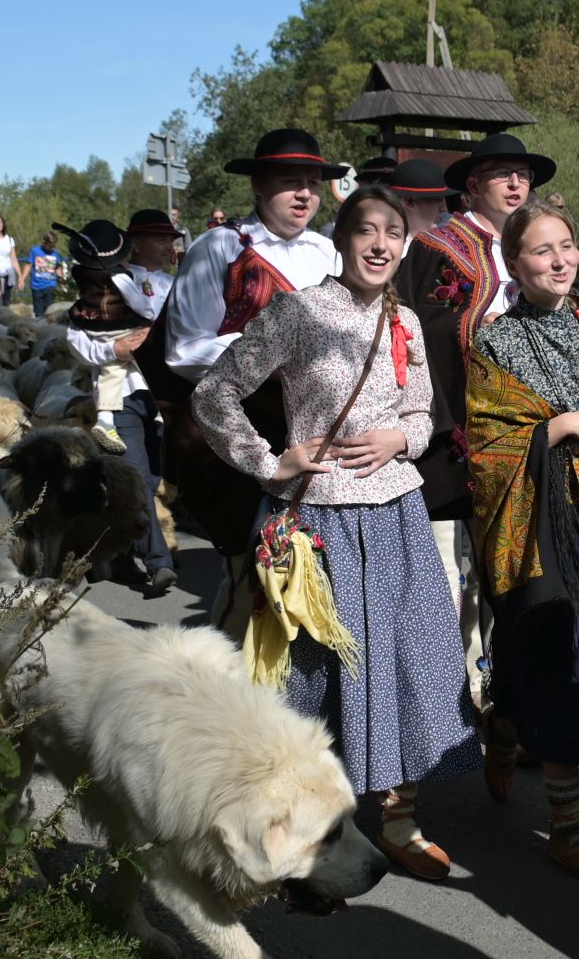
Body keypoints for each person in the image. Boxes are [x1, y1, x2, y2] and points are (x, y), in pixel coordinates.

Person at [192, 185, 479, 881]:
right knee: (322, 673)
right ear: (341, 240)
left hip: (398, 515)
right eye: (365, 231)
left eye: (392, 231)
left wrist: (397, 440)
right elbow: (214, 392)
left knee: (411, 660)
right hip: (321, 520)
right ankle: (314, 823)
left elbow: (422, 412)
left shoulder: (404, 318)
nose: (380, 244)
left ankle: (399, 818)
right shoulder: (299, 311)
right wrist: (269, 462)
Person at [466, 201, 579, 879]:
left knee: (544, 655)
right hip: (538, 530)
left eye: (566, 246)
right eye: (542, 250)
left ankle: (506, 724)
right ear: (515, 264)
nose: (559, 260)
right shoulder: (495, 342)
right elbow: (488, 446)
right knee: (567, 660)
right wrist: (561, 426)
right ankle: (568, 825)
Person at [394, 131, 558, 705]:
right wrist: (484, 334)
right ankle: (450, 699)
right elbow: (414, 330)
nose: (517, 184)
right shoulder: (438, 246)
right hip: (448, 432)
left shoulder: (539, 245)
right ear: (472, 185)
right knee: (443, 576)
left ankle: (508, 699)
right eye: (502, 174)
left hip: (518, 433)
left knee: (509, 572)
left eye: (523, 174)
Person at [160, 128, 346, 623]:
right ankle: (225, 683)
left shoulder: (328, 253)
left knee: (311, 570)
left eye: (312, 182)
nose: (305, 193)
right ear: (259, 186)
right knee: (251, 571)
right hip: (247, 431)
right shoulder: (219, 249)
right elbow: (185, 349)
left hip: (316, 430)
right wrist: (274, 359)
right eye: (291, 181)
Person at [65, 212, 178, 594]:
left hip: (165, 394)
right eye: (160, 238)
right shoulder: (96, 292)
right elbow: (76, 341)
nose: (169, 246)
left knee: (157, 476)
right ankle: (158, 562)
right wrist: (115, 347)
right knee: (138, 479)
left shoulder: (168, 286)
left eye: (171, 239)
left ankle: (115, 550)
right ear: (135, 243)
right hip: (123, 396)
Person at [385, 159, 454, 253]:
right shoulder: (384, 245)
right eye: (437, 200)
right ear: (410, 202)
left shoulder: (453, 235)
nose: (444, 208)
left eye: (444, 199)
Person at [19, 231, 65, 318]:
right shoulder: (35, 251)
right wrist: (22, 279)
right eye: (50, 246)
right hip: (37, 286)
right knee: (38, 313)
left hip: (50, 285)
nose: (52, 248)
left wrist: (62, 281)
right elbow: (28, 266)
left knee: (50, 311)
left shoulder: (56, 254)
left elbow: (58, 268)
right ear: (45, 243)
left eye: (54, 246)